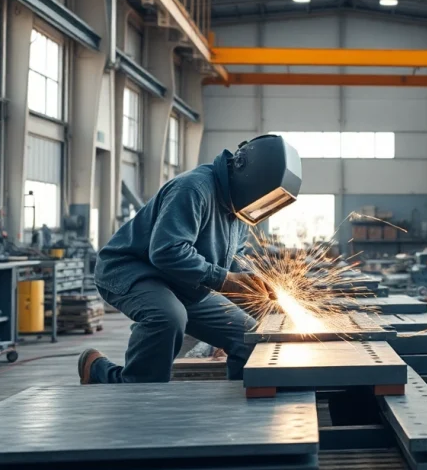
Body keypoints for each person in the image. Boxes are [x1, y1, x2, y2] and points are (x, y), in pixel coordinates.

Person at [77, 134, 302, 384]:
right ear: (247, 173)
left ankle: (242, 410)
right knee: (168, 317)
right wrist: (225, 279)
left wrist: (252, 284)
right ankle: (109, 376)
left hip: (184, 283)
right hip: (131, 271)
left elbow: (233, 257)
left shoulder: (240, 210)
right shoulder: (194, 189)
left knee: (249, 338)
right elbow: (167, 250)